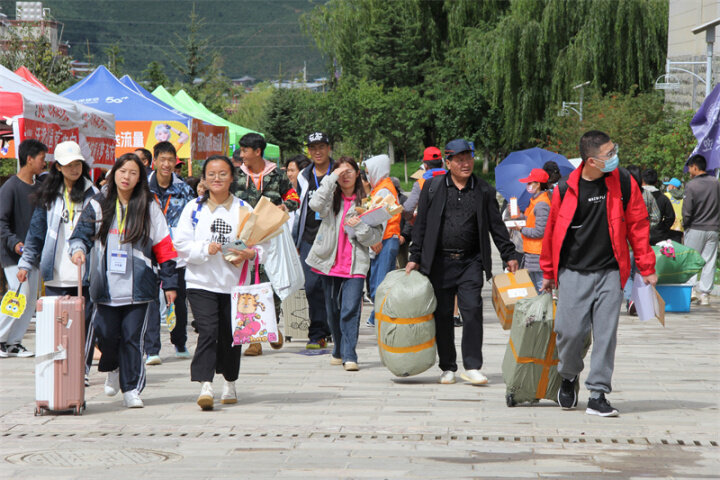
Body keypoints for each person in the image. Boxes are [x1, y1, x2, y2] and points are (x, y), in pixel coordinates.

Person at [540, 130, 656, 417]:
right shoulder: (565, 188)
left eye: (614, 149)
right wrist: (548, 272)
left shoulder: (623, 181)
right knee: (569, 333)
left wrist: (646, 266)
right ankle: (568, 376)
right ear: (591, 161)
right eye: (609, 154)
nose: (615, 156)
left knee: (606, 335)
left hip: (610, 272)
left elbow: (638, 224)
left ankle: (598, 393)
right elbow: (552, 233)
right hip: (573, 272)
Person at [407, 138, 520, 385]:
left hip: (471, 261)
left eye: (469, 158)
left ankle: (472, 366)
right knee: (443, 315)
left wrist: (509, 254)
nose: (466, 164)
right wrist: (414, 257)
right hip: (439, 262)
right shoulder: (433, 187)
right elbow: (421, 225)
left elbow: (496, 226)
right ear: (448, 163)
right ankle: (447, 366)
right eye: (459, 160)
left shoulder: (483, 190)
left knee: (473, 311)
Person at [69, 153, 178, 409]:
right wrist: (78, 250)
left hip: (139, 287)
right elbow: (80, 234)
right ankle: (113, 366)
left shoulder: (148, 205)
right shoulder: (98, 204)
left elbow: (164, 244)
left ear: (140, 178)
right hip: (105, 287)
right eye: (122, 171)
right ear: (114, 173)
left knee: (132, 338)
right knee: (107, 336)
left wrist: (170, 283)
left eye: (133, 172)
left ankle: (131, 389)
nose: (126, 177)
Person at [174, 155, 267, 410]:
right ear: (204, 179)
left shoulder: (244, 209)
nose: (217, 179)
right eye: (211, 174)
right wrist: (205, 249)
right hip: (200, 282)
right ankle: (205, 384)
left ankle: (230, 381)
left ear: (232, 177)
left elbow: (262, 244)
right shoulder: (193, 208)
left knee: (231, 335)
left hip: (234, 284)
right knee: (208, 331)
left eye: (223, 174)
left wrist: (251, 253)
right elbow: (181, 244)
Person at [16, 141, 98, 378]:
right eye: (68, 164)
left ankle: (81, 371)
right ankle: (61, 372)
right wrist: (25, 264)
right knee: (58, 327)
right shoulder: (48, 196)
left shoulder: (94, 195)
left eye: (77, 164)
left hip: (85, 274)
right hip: (56, 274)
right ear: (58, 167)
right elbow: (36, 233)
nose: (74, 169)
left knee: (84, 326)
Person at [306, 157, 382, 371]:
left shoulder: (368, 202)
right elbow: (314, 204)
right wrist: (331, 178)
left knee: (350, 309)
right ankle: (338, 349)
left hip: (355, 265)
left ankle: (350, 355)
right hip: (329, 263)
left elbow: (375, 238)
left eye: (349, 171)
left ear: (358, 174)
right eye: (340, 172)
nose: (345, 175)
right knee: (332, 311)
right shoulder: (330, 198)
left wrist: (360, 227)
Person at [233, 133, 299, 356]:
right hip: (244, 238)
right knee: (248, 284)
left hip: (271, 238)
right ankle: (255, 339)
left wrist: (285, 206)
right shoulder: (236, 176)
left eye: (245, 150)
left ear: (257, 151)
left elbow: (293, 197)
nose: (242, 155)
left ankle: (271, 326)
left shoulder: (277, 175)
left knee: (270, 283)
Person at [143, 141, 196, 365]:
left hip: (176, 253)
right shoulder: (143, 187)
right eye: (162, 159)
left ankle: (180, 341)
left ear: (176, 162)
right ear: (154, 161)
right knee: (150, 300)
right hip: (148, 251)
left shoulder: (184, 189)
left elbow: (194, 217)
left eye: (170, 160)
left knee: (178, 299)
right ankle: (152, 349)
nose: (166, 164)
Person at [0, 138, 47, 358]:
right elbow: (1, 222)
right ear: (29, 159)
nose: (44, 163)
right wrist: (15, 243)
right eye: (41, 158)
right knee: (18, 295)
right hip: (13, 254)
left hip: (33, 253)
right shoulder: (10, 187)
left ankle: (14, 343)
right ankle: (1, 338)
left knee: (29, 300)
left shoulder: (39, 188)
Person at [294, 132, 333, 349]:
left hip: (334, 237)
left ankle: (330, 328)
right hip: (309, 236)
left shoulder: (338, 171)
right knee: (311, 286)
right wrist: (296, 240)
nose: (317, 152)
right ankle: (317, 332)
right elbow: (299, 209)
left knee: (331, 286)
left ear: (329, 148)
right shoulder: (304, 175)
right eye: (313, 148)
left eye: (321, 147)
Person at [364, 154, 402, 327]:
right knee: (379, 282)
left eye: (368, 171)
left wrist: (375, 241)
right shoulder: (381, 187)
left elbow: (382, 218)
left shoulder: (383, 190)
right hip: (386, 238)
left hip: (384, 239)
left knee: (379, 283)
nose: (367, 175)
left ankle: (380, 317)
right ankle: (378, 316)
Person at [682, 154, 720, 306]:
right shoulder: (716, 183)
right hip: (713, 228)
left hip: (695, 227)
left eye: (690, 168)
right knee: (709, 261)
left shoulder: (691, 185)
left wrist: (685, 225)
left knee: (691, 260)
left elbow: (687, 210)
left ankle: (690, 290)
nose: (689, 171)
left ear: (695, 167)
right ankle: (705, 295)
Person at [509, 168, 551, 293]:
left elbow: (539, 231)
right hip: (532, 253)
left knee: (540, 289)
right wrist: (518, 215)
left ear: (538, 184)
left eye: (530, 182)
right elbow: (530, 221)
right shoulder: (535, 201)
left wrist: (521, 229)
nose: (527, 185)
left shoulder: (542, 204)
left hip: (538, 253)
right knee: (536, 289)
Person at [403, 146, 446, 216]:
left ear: (425, 165)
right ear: (442, 164)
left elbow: (408, 208)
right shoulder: (453, 178)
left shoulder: (420, 183)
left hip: (429, 221)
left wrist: (411, 219)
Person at [663, 177, 684, 243]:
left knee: (666, 247)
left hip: (667, 226)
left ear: (673, 187)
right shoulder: (684, 197)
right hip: (679, 227)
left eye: (669, 185)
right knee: (677, 247)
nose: (668, 187)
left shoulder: (666, 196)